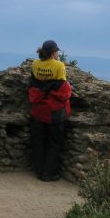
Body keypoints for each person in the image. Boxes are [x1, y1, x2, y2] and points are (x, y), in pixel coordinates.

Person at [28, 40, 72, 181]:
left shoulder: (35, 64)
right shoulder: (59, 65)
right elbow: (62, 88)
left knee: (38, 141)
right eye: (57, 51)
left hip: (38, 110)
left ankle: (39, 171)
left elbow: (35, 83)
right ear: (54, 52)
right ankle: (48, 174)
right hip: (54, 112)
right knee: (54, 142)